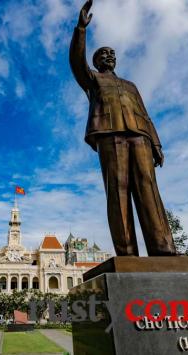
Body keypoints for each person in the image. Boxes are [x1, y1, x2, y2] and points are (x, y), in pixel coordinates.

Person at [69, 0, 176, 256]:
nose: (109, 56)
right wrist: (81, 30)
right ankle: (127, 252)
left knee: (148, 186)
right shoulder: (93, 79)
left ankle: (163, 247)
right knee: (118, 189)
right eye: (103, 54)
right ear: (96, 61)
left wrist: (157, 144)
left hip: (140, 136)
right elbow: (76, 62)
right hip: (109, 134)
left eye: (112, 53)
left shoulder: (130, 85)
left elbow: (146, 115)